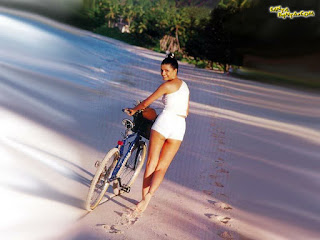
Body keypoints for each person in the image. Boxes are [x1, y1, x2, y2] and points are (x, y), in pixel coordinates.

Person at [125, 53, 190, 213]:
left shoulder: (166, 86)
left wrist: (134, 110)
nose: (163, 74)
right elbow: (186, 111)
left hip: (165, 122)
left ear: (175, 70)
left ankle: (143, 198)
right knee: (163, 166)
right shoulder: (185, 87)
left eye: (167, 71)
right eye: (161, 70)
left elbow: (147, 102)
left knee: (151, 163)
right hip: (180, 127)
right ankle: (148, 198)